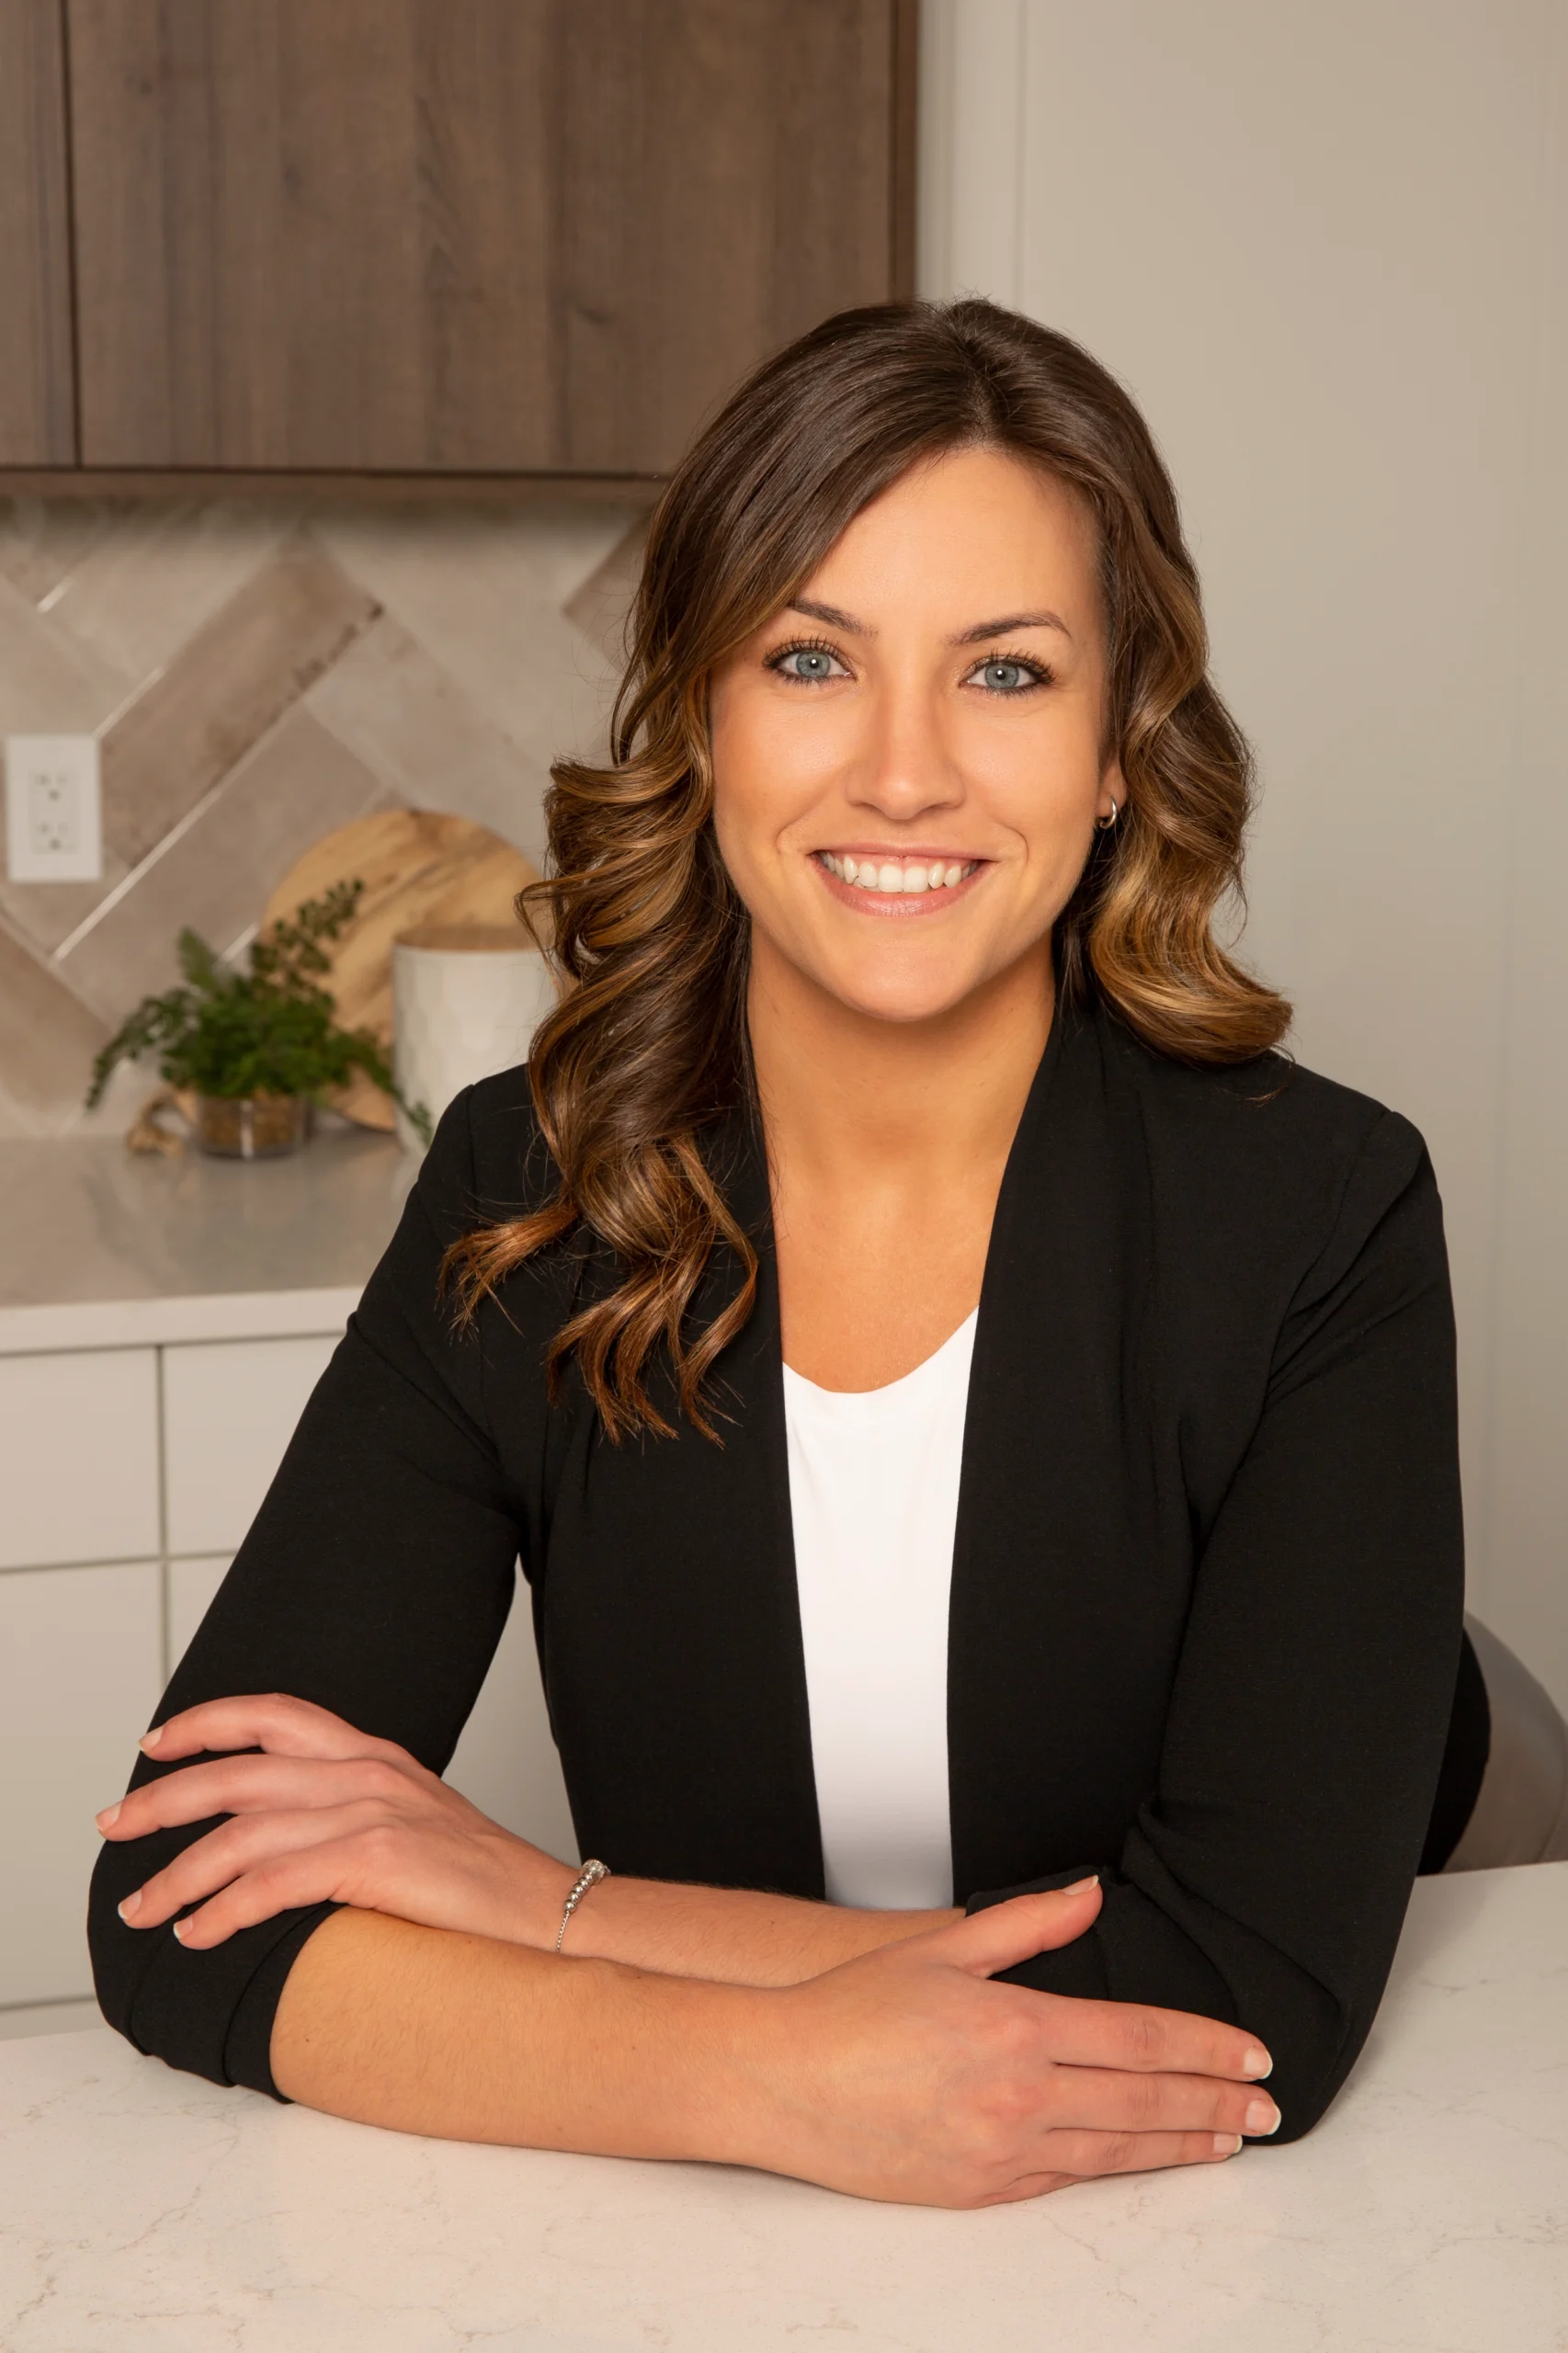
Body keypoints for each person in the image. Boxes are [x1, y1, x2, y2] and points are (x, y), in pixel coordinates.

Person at [89, 298, 1490, 2211]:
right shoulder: (532, 1183)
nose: (902, 772)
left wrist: (543, 1911)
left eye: (1003, 673)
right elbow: (180, 1912)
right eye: (812, 656)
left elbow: (1235, 2002)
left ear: (1112, 752)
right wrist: (765, 2075)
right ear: (702, 716)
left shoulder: (1321, 1213)